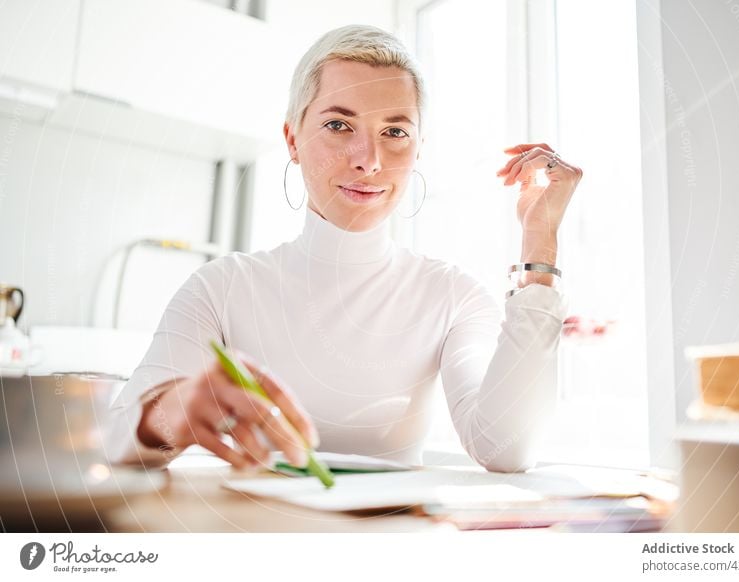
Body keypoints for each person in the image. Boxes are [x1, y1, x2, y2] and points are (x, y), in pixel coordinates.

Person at [105, 24, 582, 473]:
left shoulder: (452, 295)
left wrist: (540, 243)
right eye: (338, 125)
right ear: (292, 138)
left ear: (417, 148)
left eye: (395, 132)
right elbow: (118, 441)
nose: (369, 161)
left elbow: (506, 447)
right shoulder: (223, 287)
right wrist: (173, 411)